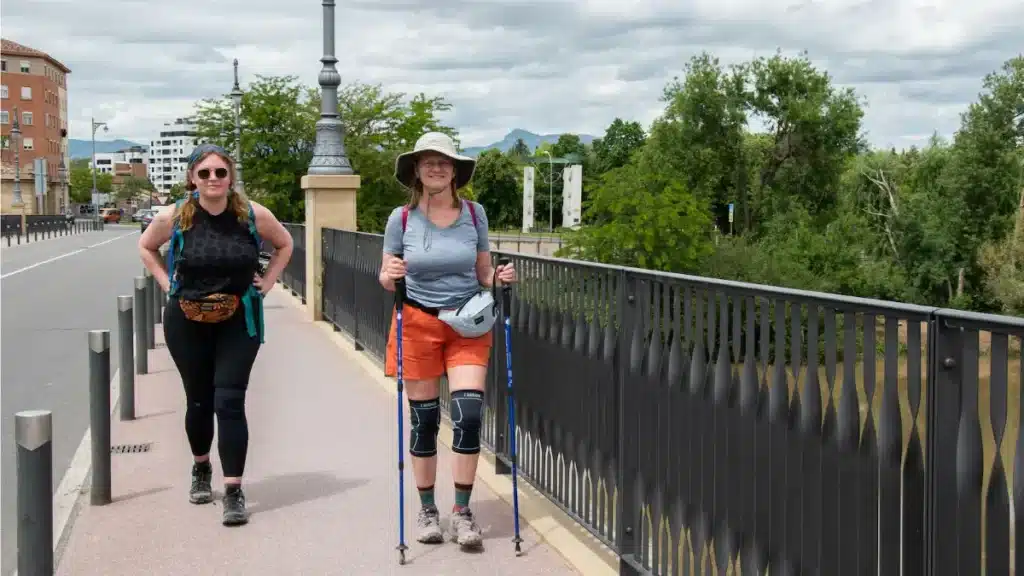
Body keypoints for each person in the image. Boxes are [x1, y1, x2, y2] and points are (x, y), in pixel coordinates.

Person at [138, 143, 294, 526]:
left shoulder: (252, 215)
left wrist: (266, 285)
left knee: (229, 401)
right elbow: (146, 247)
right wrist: (166, 285)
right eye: (204, 173)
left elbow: (285, 243)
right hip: (186, 320)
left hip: (238, 321)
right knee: (198, 400)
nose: (212, 179)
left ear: (230, 177)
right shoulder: (175, 215)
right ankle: (201, 467)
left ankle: (234, 490)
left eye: (219, 173)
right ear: (192, 177)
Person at [379, 131, 517, 549]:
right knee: (424, 422)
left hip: (467, 326)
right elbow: (386, 275)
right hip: (418, 323)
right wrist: (390, 277)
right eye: (428, 162)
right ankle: (427, 511)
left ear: (454, 170)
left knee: (469, 415)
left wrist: (498, 279)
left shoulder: (474, 215)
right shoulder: (400, 220)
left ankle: (462, 511)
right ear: (416, 171)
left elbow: (481, 272)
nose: (436, 168)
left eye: (444, 162)